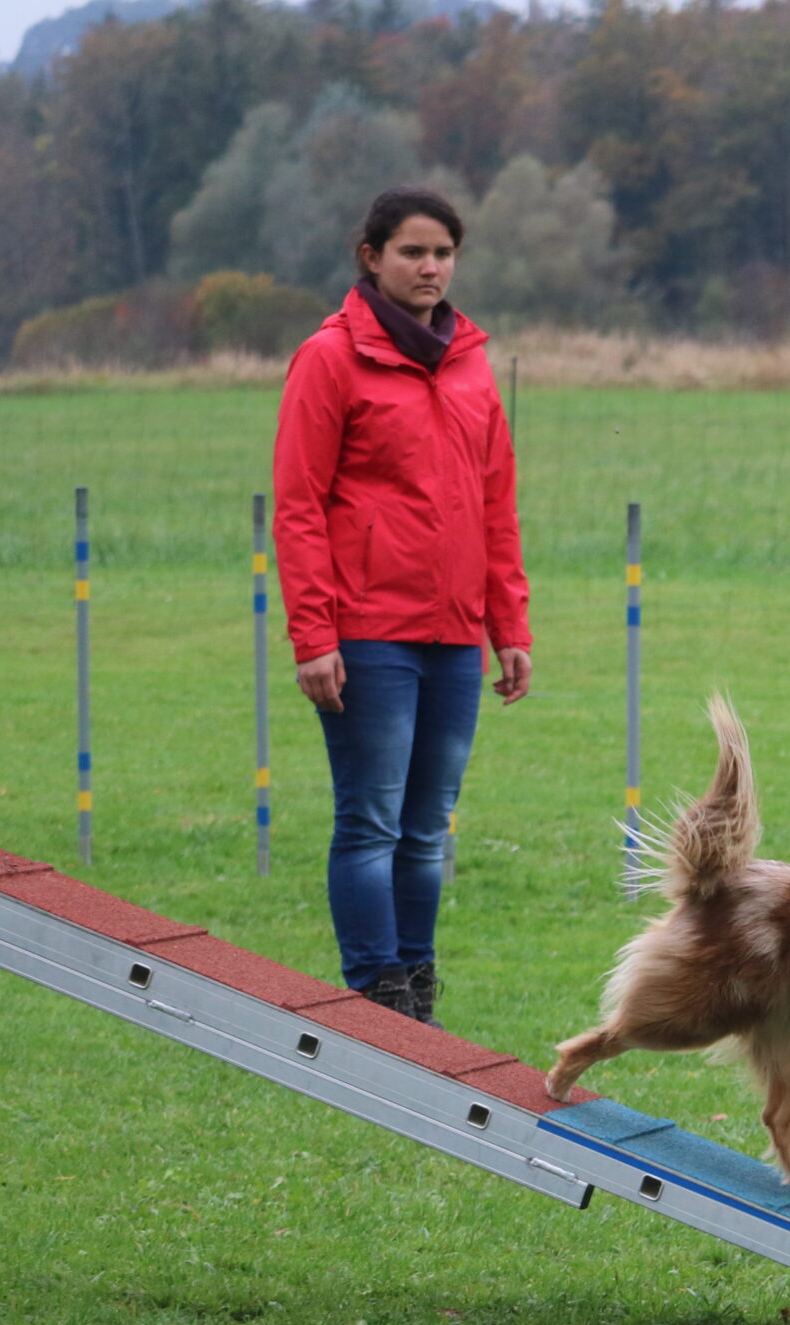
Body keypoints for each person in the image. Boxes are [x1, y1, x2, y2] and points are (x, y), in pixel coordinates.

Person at [273, 185, 531, 1026]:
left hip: (454, 636)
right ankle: (375, 987)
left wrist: (509, 625)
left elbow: (496, 502)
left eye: (443, 252)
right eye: (413, 251)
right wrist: (315, 636)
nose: (430, 267)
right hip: (367, 632)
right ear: (371, 258)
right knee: (373, 821)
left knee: (428, 830)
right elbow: (299, 504)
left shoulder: (469, 363)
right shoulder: (329, 358)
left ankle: (416, 989)